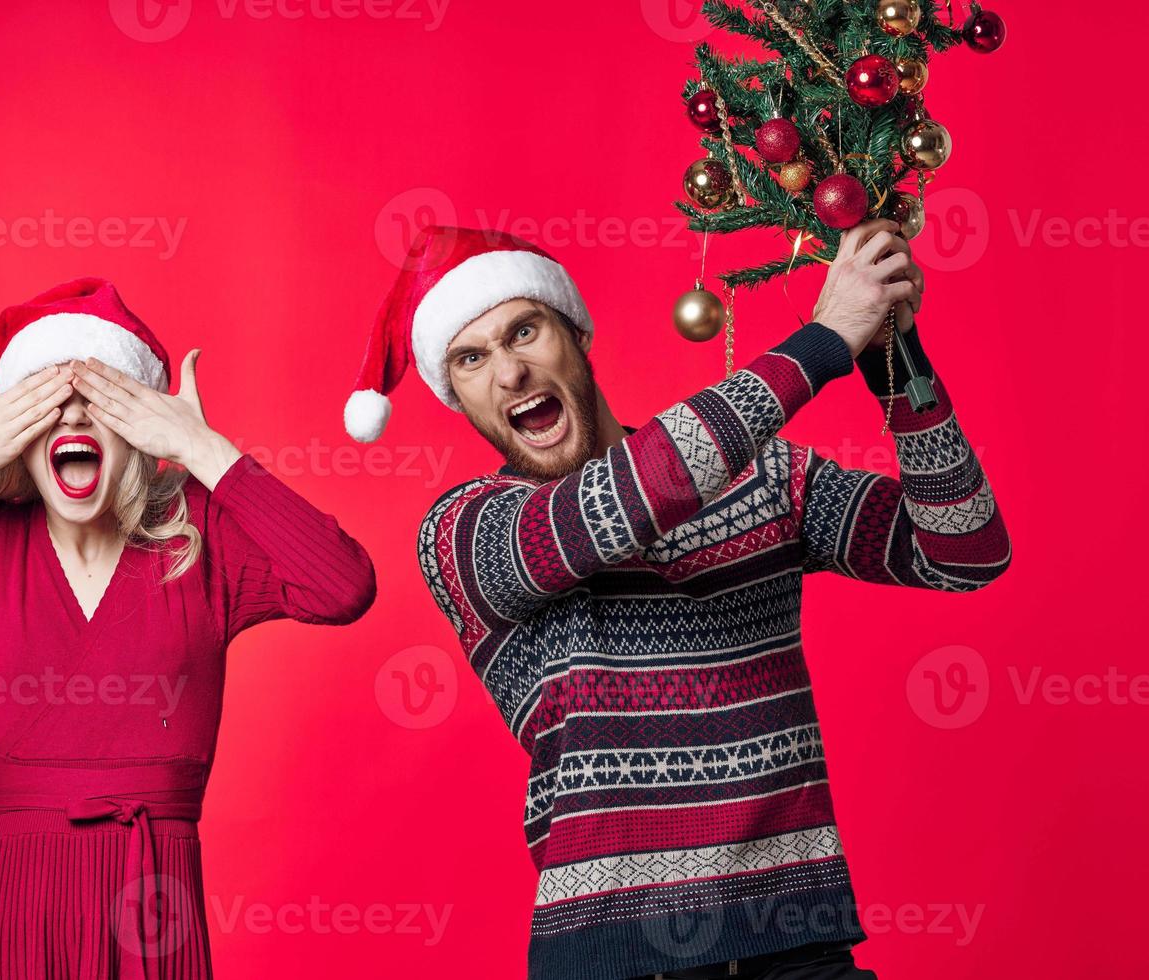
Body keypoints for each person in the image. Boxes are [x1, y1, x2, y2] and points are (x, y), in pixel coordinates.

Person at [342, 222, 1010, 980]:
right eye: (472, 359)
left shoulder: (762, 478)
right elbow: (630, 496)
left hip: (798, 943)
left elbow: (965, 551)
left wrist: (893, 357)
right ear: (457, 397)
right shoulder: (466, 531)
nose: (510, 374)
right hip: (618, 959)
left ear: (576, 335)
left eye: (524, 331)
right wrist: (825, 341)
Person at [0, 277, 376, 979]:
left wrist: (205, 449)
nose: (71, 422)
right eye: (46, 405)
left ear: (139, 423)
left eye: (97, 402)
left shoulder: (199, 538)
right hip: (0, 925)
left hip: (154, 922)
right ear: (16, 435)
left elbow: (344, 586)